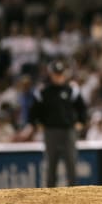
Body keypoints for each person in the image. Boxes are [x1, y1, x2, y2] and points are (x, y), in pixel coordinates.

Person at [18, 59, 87, 187]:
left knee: (71, 161)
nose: (59, 76)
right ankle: (50, 193)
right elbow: (33, 111)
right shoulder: (43, 92)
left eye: (61, 73)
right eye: (56, 73)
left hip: (68, 131)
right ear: (51, 74)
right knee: (51, 163)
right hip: (50, 131)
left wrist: (81, 122)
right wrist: (35, 124)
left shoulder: (71, 89)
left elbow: (82, 108)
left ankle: (73, 192)